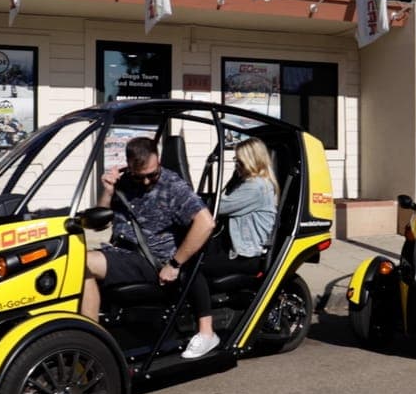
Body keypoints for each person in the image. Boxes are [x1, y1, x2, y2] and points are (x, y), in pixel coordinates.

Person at [81, 137, 220, 359]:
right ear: (128, 164)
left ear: (159, 160)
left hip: (152, 260)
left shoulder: (172, 186)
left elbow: (206, 223)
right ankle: (87, 337)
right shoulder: (124, 183)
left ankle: (91, 346)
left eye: (152, 175)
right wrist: (108, 191)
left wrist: (174, 264)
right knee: (70, 261)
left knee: (83, 263)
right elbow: (97, 224)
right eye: (140, 176)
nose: (146, 182)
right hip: (120, 253)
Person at [204, 138, 279, 278]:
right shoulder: (249, 182)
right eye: (235, 160)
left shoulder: (255, 187)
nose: (236, 165)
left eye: (240, 161)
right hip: (238, 249)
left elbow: (219, 207)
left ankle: (201, 301)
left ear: (252, 161)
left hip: (246, 255)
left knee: (195, 268)